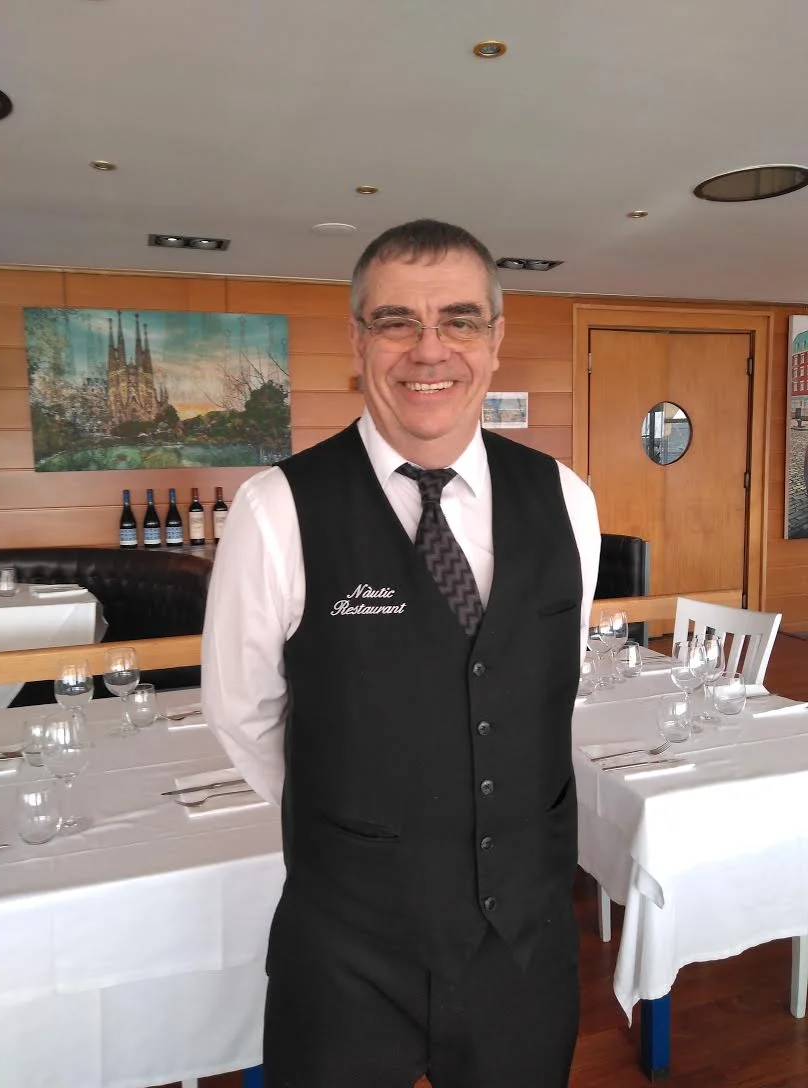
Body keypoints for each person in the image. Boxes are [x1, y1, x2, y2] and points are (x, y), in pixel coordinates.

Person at [202, 218, 601, 1088]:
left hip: (523, 946)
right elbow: (241, 714)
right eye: (396, 322)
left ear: (495, 339)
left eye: (459, 320)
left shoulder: (567, 499)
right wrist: (365, 826)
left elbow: (545, 686)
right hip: (346, 954)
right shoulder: (275, 511)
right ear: (358, 341)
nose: (430, 350)